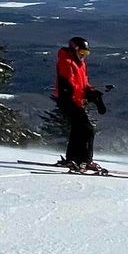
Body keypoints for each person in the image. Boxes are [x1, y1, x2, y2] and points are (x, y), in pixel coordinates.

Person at [52, 36, 107, 173]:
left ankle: (72, 159)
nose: (83, 55)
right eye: (82, 52)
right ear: (74, 49)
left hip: (76, 100)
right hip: (68, 100)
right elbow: (69, 84)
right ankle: (85, 160)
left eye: (86, 53)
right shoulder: (66, 61)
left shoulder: (80, 64)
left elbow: (83, 84)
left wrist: (92, 92)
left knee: (78, 128)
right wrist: (82, 93)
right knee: (88, 129)